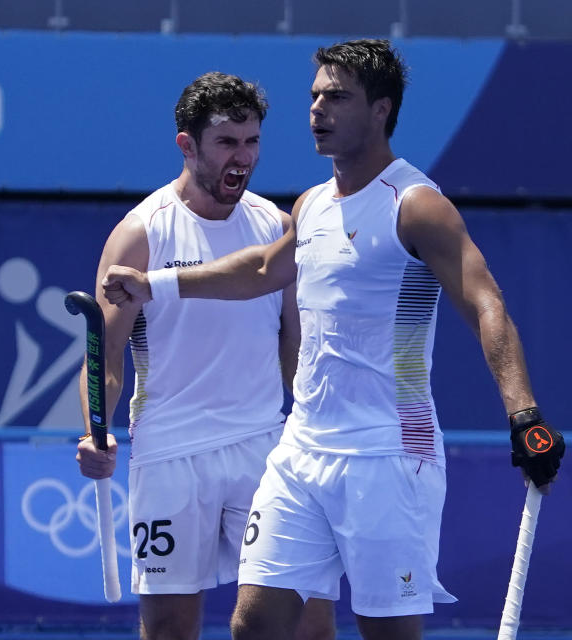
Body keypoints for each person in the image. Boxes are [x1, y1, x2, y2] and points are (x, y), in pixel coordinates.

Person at [101, 40, 564, 640]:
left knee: (385, 632)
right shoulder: (312, 204)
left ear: (380, 110)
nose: (318, 109)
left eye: (337, 97)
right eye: (315, 95)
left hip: (388, 453)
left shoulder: (418, 206)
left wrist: (523, 413)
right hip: (300, 453)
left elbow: (485, 304)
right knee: (257, 625)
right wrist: (155, 284)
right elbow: (264, 271)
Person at [75, 72, 336, 640]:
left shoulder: (276, 227)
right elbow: (106, 354)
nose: (242, 158)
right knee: (170, 630)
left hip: (264, 451)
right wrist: (96, 430)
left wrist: (308, 428)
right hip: (170, 453)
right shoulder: (140, 234)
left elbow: (296, 341)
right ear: (187, 144)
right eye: (227, 143)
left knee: (309, 624)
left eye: (252, 142)